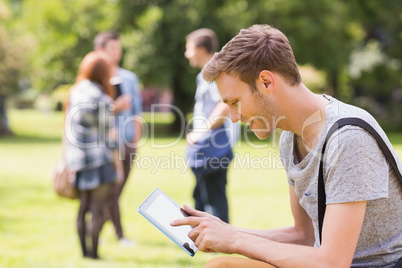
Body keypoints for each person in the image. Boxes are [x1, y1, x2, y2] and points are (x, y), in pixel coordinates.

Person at [172, 24, 402, 267]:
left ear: (266, 82)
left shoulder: (347, 139)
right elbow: (303, 236)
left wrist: (235, 240)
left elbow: (333, 262)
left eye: (235, 102)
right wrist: (223, 231)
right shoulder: (290, 138)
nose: (233, 117)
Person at [64, 51, 123, 259]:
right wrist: (118, 166)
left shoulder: (75, 92)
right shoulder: (101, 97)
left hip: (78, 160)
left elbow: (67, 129)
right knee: (97, 210)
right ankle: (94, 255)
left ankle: (84, 254)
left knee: (82, 209)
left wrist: (65, 159)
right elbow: (110, 136)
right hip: (99, 160)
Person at [184, 28, 239, 223]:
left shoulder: (215, 72)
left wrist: (200, 133)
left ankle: (220, 239)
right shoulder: (206, 74)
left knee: (214, 196)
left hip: (215, 146)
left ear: (200, 49)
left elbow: (223, 104)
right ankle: (202, 236)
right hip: (208, 146)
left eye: (188, 48)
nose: (186, 54)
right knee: (201, 194)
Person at [94, 32, 143, 245]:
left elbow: (137, 114)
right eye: (112, 48)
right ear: (100, 51)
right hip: (104, 145)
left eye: (118, 48)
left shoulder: (130, 78)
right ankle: (114, 233)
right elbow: (92, 115)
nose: (117, 53)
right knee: (110, 190)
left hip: (127, 142)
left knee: (117, 191)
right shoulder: (94, 81)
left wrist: (136, 143)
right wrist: (116, 107)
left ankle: (96, 226)